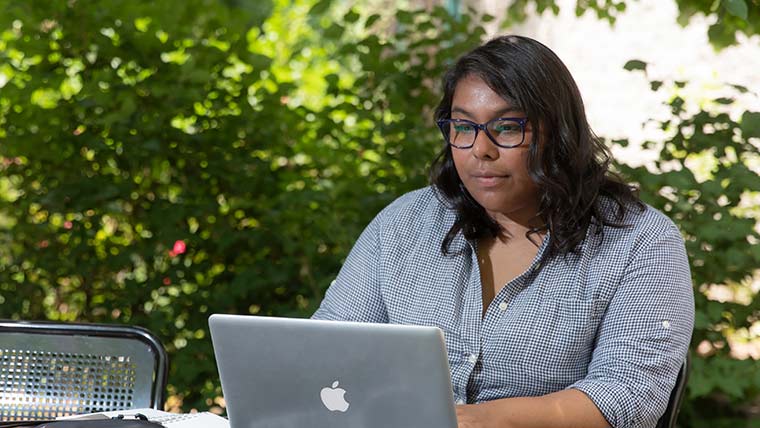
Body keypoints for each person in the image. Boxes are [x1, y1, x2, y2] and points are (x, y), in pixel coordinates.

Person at [312, 35, 694, 428]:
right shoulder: (405, 222)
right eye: (463, 127)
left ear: (559, 132)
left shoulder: (640, 241)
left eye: (507, 127)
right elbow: (327, 348)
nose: (481, 149)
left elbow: (629, 393)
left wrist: (484, 420)